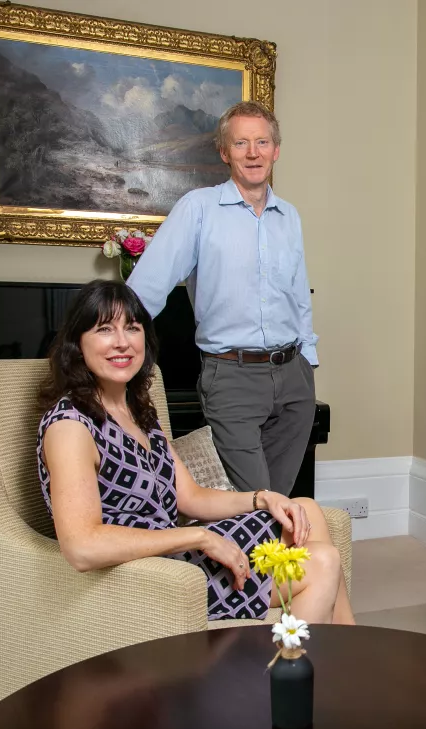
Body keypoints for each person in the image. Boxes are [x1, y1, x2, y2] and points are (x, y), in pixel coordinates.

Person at [37, 280, 353, 626]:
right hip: (145, 576)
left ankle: (341, 662)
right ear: (78, 345)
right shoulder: (70, 426)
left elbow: (191, 497)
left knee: (303, 508)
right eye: (104, 329)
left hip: (174, 555)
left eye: (132, 327)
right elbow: (82, 546)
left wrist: (263, 498)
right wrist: (200, 536)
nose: (122, 342)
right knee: (321, 562)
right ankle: (288, 674)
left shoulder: (137, 410)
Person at [127, 101, 317, 496]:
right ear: (224, 152)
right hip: (232, 376)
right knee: (258, 500)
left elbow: (299, 295)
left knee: (279, 499)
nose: (253, 152)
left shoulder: (290, 217)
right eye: (242, 143)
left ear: (276, 150)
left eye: (262, 142)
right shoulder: (198, 209)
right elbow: (146, 287)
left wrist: (308, 362)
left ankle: (269, 560)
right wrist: (115, 347)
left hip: (294, 376)